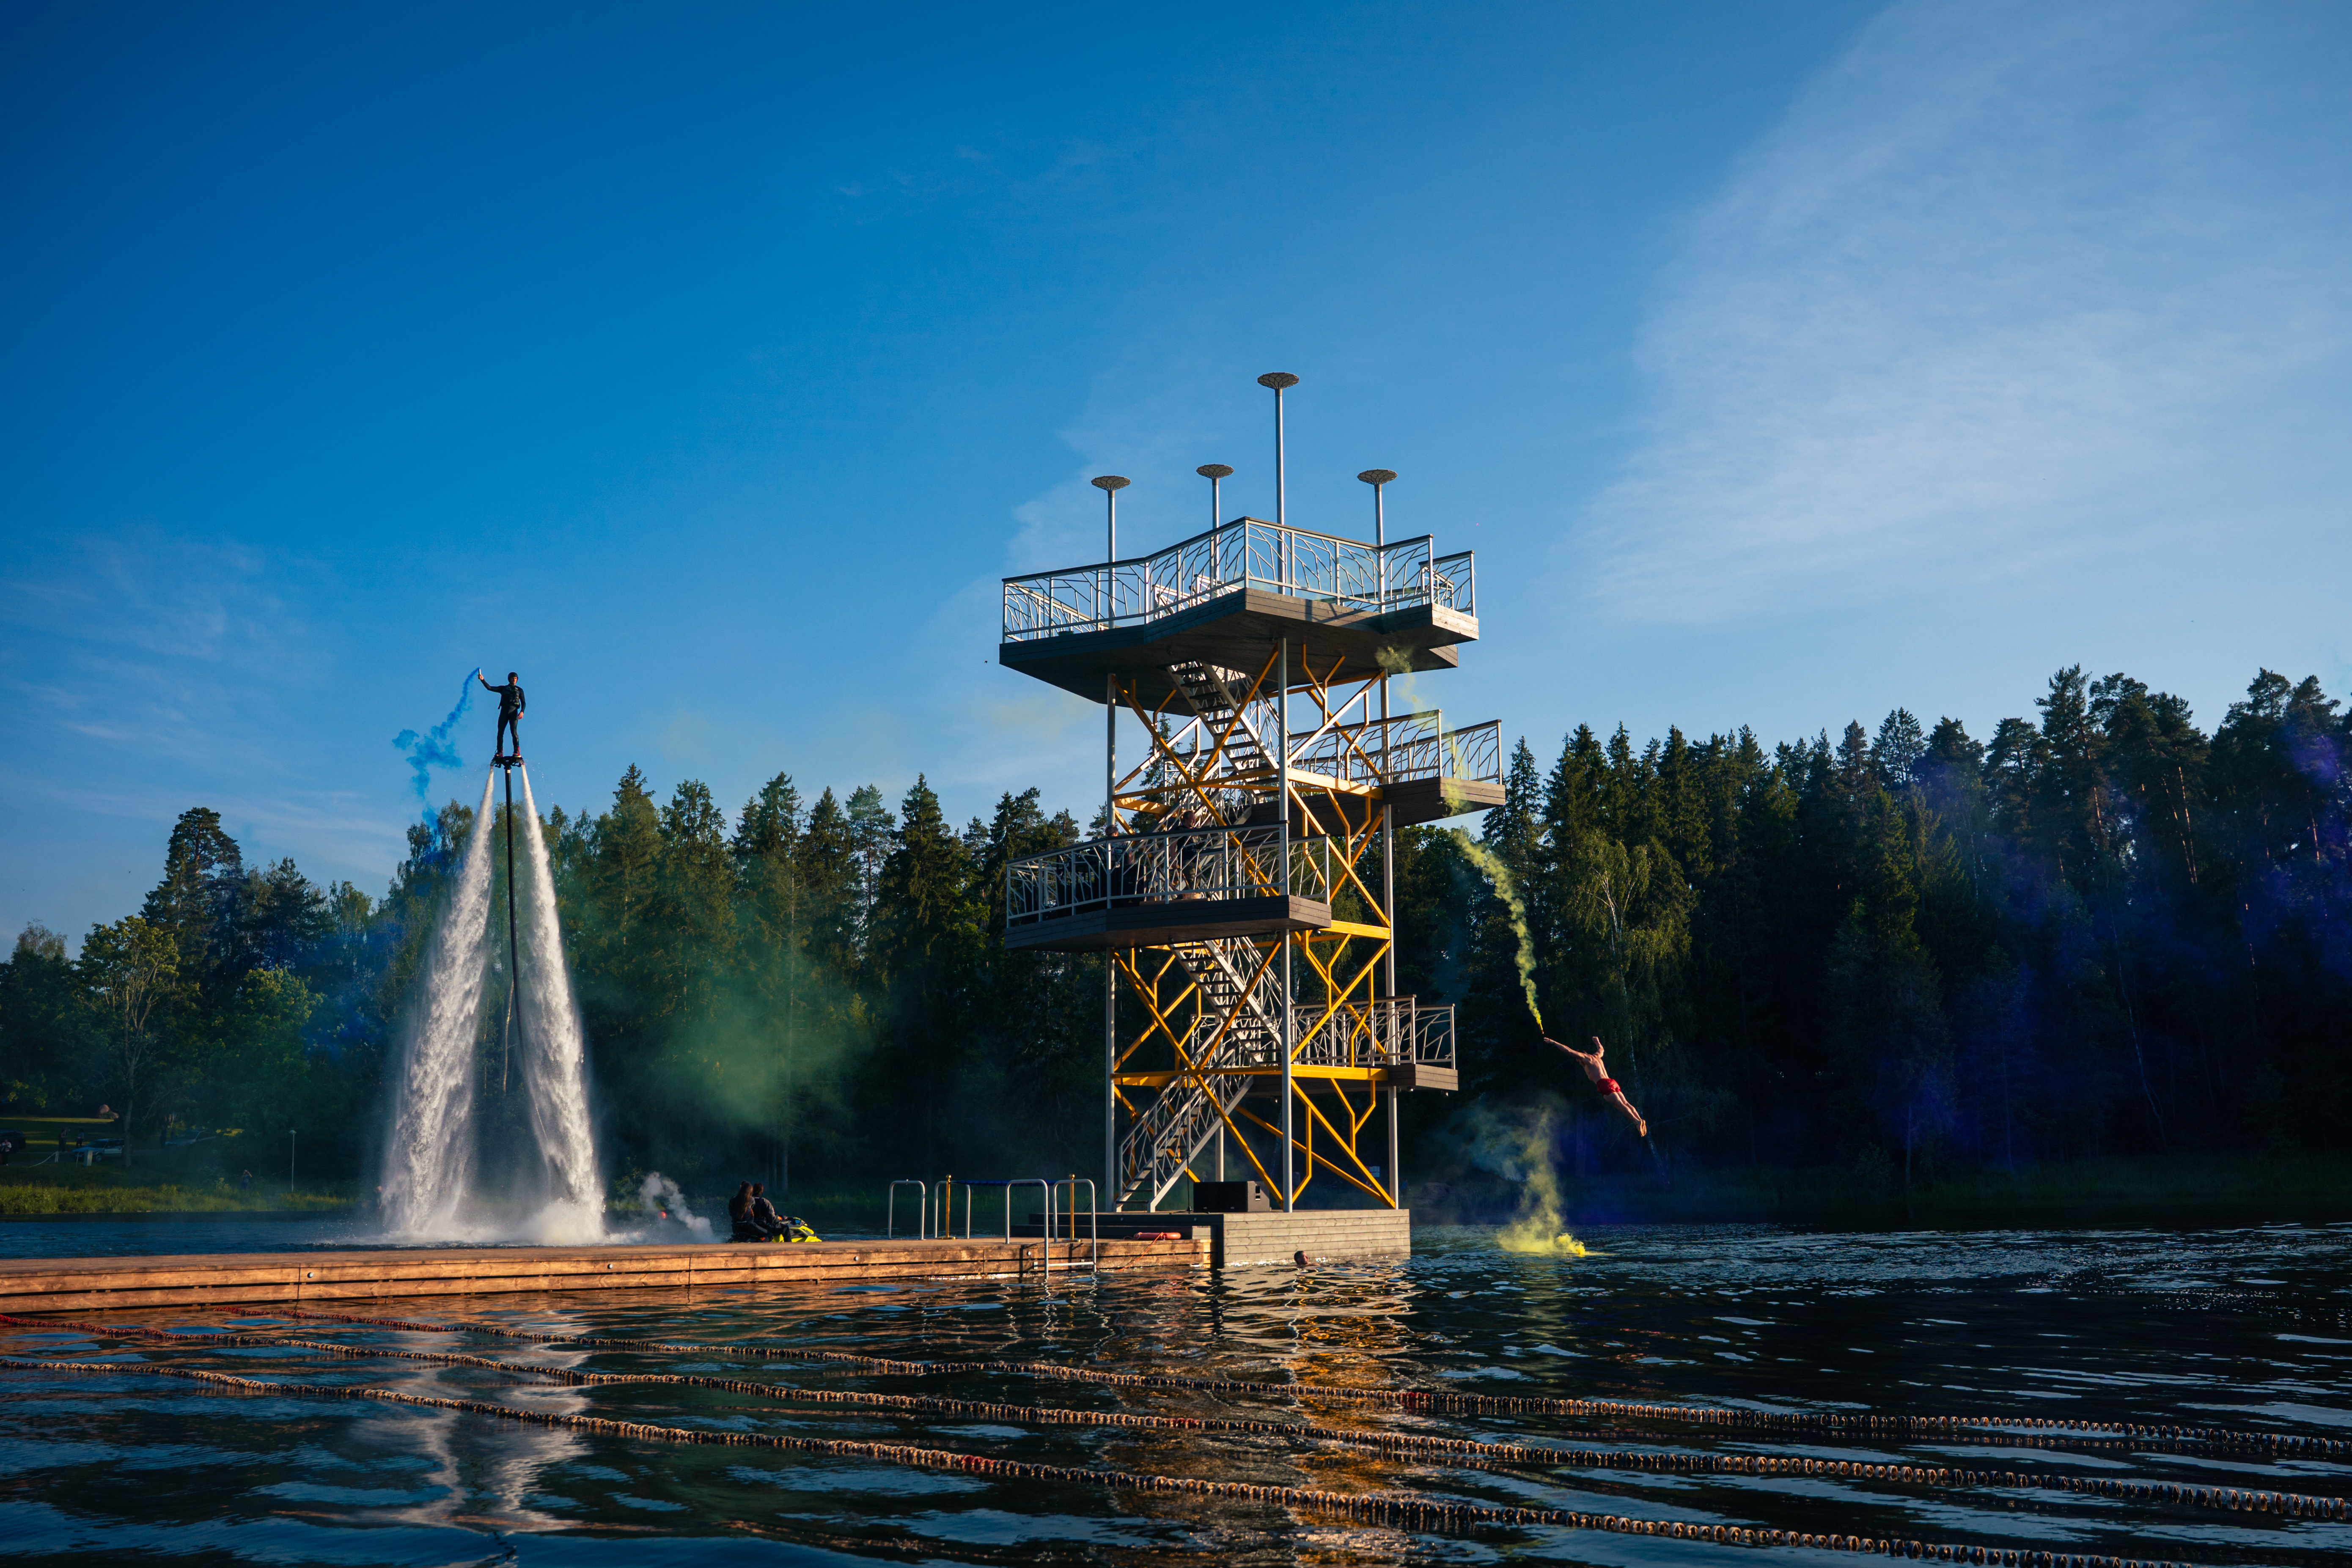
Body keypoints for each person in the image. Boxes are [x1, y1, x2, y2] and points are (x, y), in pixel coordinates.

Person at [1544, 1034, 1649, 1137]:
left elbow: (1569, 1051)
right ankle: (1639, 1120)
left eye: (1578, 1060)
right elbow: (1601, 1050)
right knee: (1625, 1103)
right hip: (1612, 1082)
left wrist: (1554, 1042)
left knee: (1620, 1105)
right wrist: (1597, 1042)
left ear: (1580, 1056)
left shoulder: (1585, 1058)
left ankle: (1637, 1122)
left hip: (1603, 1084)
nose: (1579, 1062)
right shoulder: (1597, 1056)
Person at [478, 669, 525, 761]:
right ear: (509, 679)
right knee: (500, 732)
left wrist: (522, 711)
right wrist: (482, 680)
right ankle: (500, 752)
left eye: (516, 679)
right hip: (504, 712)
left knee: (514, 732)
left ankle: (517, 751)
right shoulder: (503, 689)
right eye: (513, 678)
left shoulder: (520, 690)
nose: (514, 680)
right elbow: (490, 688)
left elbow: (524, 702)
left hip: (514, 712)